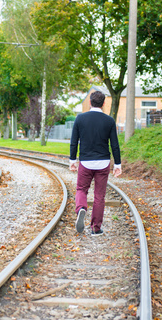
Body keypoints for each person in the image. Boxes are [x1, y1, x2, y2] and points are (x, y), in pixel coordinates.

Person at [69, 90, 122, 236]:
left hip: (85, 162)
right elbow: (115, 145)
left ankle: (81, 208)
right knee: (99, 196)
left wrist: (72, 160)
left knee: (81, 189)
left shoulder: (80, 119)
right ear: (104, 103)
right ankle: (96, 229)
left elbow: (74, 142)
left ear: (90, 102)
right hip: (103, 162)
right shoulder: (109, 121)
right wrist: (117, 164)